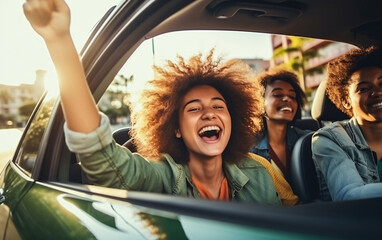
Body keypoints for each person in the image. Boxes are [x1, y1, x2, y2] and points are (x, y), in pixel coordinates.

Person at [23, 0, 281, 204]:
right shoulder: (162, 178)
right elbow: (100, 155)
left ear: (231, 121)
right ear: (176, 129)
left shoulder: (260, 175)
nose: (209, 113)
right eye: (194, 108)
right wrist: (59, 40)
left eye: (218, 106)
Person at [312, 46, 382, 201]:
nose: (377, 92)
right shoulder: (329, 138)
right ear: (346, 101)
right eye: (363, 88)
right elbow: (349, 195)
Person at [250, 68, 308, 186]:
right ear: (259, 102)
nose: (287, 99)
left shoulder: (309, 141)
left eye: (292, 96)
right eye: (277, 94)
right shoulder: (248, 149)